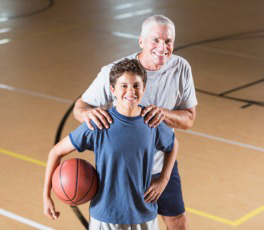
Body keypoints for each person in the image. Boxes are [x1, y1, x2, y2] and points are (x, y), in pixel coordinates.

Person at [73, 15, 197, 230]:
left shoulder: (181, 68)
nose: (162, 47)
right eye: (155, 40)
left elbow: (188, 120)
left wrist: (162, 114)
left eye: (168, 41)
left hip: (160, 163)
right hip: (123, 169)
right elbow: (80, 107)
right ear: (141, 41)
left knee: (178, 222)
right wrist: (87, 115)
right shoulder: (116, 72)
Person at [43, 59, 178, 230]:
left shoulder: (151, 121)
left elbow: (172, 145)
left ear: (144, 88)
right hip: (105, 216)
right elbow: (55, 152)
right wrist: (46, 195)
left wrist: (163, 179)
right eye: (124, 86)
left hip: (144, 213)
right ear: (113, 90)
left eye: (136, 85)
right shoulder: (98, 122)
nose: (131, 91)